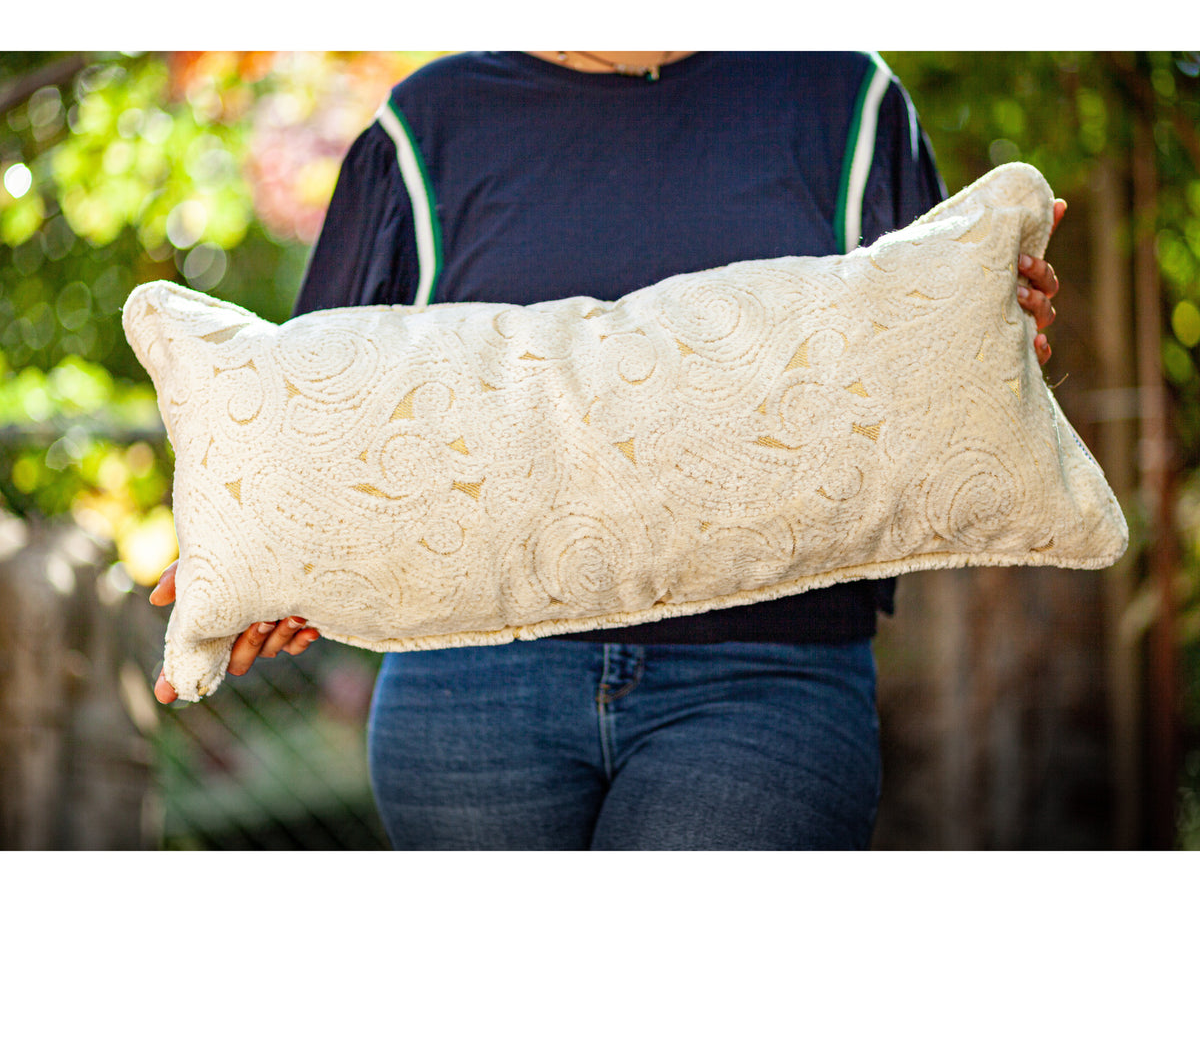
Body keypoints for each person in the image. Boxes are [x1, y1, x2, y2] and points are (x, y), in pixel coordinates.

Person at [151, 51, 1062, 849]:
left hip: (768, 673)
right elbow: (320, 415)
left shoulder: (844, 98)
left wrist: (996, 335)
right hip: (470, 683)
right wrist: (268, 572)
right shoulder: (424, 127)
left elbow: (923, 364)